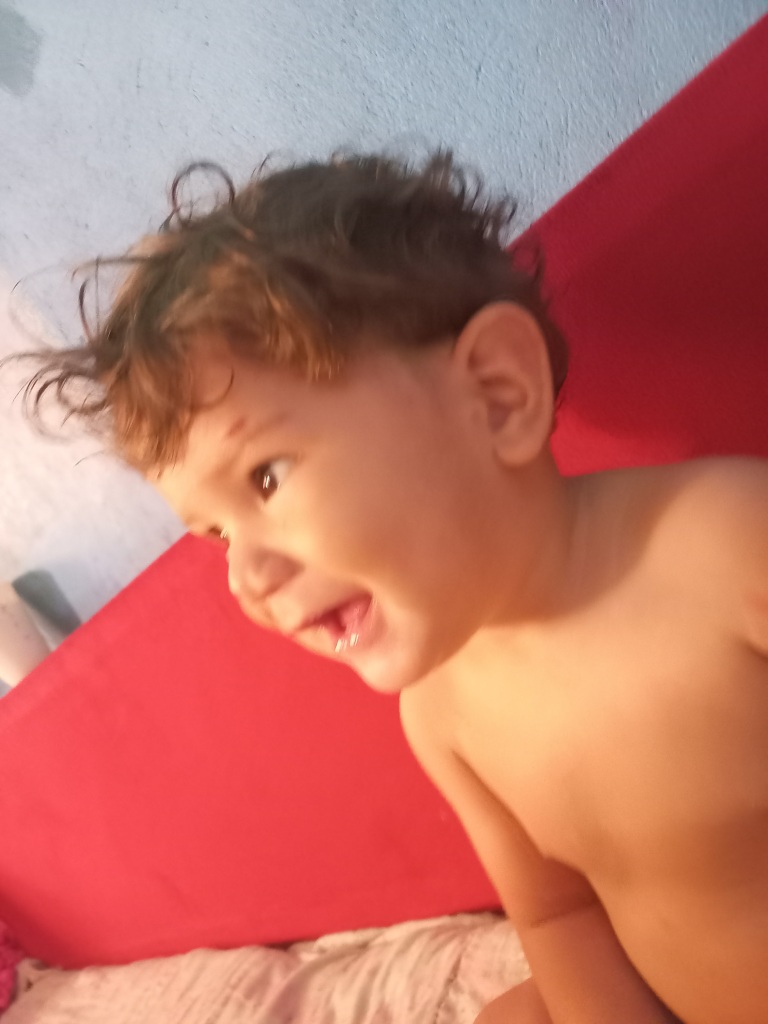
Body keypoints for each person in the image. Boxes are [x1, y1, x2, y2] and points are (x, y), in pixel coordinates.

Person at [20, 152, 768, 1024]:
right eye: (216, 534)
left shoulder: (724, 546)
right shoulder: (441, 713)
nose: (246, 577)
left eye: (265, 478)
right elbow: (558, 913)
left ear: (496, 396)